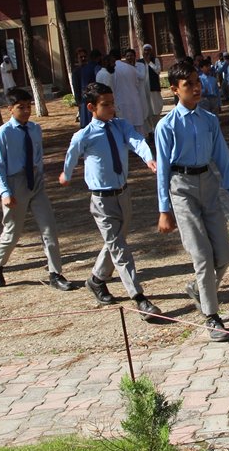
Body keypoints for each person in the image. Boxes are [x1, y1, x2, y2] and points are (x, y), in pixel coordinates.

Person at [155, 61, 229, 342]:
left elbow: (222, 157)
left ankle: (199, 288)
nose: (196, 88)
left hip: (207, 184)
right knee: (202, 255)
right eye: (188, 85)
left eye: (197, 83)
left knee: (225, 253)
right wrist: (164, 210)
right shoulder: (166, 126)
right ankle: (212, 316)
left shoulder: (208, 120)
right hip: (181, 188)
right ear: (174, 90)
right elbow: (163, 169)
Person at [60, 82, 162, 321]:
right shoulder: (84, 135)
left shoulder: (120, 126)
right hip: (102, 200)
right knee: (120, 249)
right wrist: (66, 173)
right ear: (91, 107)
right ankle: (139, 299)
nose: (111, 109)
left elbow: (136, 140)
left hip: (123, 194)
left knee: (116, 242)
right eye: (105, 105)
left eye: (112, 103)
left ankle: (96, 280)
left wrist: (149, 158)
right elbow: (72, 155)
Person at [0, 87, 75, 291]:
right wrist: (5, 192)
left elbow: (38, 154)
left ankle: (55, 273)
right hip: (14, 183)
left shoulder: (35, 129)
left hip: (35, 182)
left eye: (28, 106)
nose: (26, 111)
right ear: (10, 109)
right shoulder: (3, 133)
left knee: (49, 228)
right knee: (13, 231)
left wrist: (39, 175)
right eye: (20, 107)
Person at [142, 44, 165, 134]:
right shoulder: (140, 62)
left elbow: (158, 70)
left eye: (148, 50)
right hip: (143, 89)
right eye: (145, 50)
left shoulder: (155, 60)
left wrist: (149, 62)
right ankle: (149, 130)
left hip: (153, 88)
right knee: (146, 109)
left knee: (155, 108)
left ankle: (156, 129)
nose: (147, 52)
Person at [74, 48, 99, 128]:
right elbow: (76, 88)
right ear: (77, 59)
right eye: (81, 57)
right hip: (84, 100)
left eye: (84, 57)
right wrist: (79, 102)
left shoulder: (92, 68)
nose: (83, 59)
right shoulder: (76, 71)